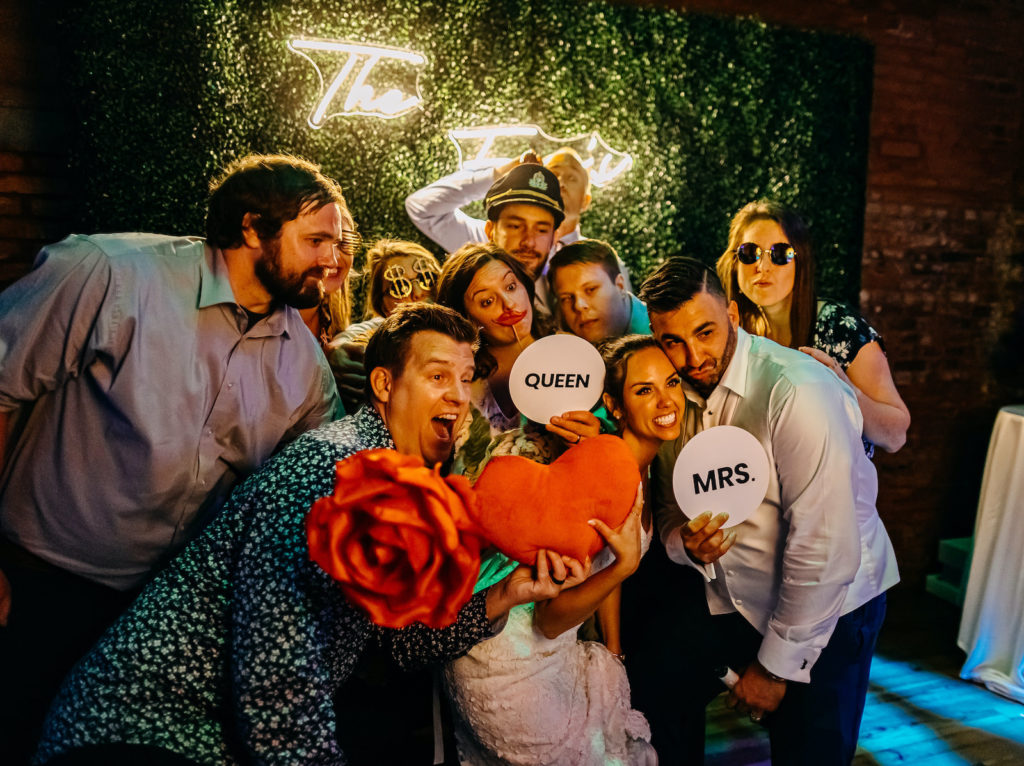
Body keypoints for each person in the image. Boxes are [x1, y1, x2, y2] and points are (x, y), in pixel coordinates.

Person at [35, 303, 579, 766]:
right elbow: (276, 673)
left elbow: (401, 644)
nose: (459, 397)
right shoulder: (332, 467)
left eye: (466, 379)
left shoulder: (407, 484)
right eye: (438, 377)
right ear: (385, 384)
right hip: (140, 728)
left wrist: (511, 592)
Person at [0, 153, 344, 763]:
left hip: (163, 619)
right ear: (250, 228)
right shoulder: (111, 274)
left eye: (338, 243)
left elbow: (313, 494)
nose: (334, 259)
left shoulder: (307, 366)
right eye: (316, 239)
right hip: (36, 584)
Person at [641, 257, 900, 765]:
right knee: (656, 697)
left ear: (733, 314)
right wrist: (682, 543)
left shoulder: (798, 390)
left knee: (811, 755)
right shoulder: (676, 395)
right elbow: (671, 506)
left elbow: (824, 548)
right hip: (740, 602)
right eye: (672, 341)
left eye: (706, 332)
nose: (693, 356)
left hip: (834, 610)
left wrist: (776, 669)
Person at [443, 334, 684, 766]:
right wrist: (624, 567)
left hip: (565, 649)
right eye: (644, 390)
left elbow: (604, 569)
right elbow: (552, 616)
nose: (665, 400)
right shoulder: (601, 473)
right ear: (612, 404)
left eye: (672, 382)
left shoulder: (639, 469)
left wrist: (614, 651)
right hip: (512, 657)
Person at [716, 200, 910, 455]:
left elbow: (896, 435)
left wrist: (846, 391)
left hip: (833, 490)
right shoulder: (735, 333)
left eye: (780, 254)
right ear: (734, 263)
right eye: (750, 252)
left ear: (801, 262)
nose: (762, 267)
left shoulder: (838, 327)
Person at [435, 243, 600, 477]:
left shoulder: (578, 356)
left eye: (511, 286)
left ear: (525, 285)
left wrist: (591, 442)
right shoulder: (455, 383)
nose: (509, 304)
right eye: (486, 301)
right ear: (466, 319)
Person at [406, 150, 632, 316]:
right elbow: (422, 209)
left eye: (571, 177)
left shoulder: (606, 266)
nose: (561, 182)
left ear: (586, 200)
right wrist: (498, 175)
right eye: (553, 174)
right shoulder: (486, 244)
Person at [327, 238, 442, 412]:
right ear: (383, 307)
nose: (418, 293)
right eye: (399, 286)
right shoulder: (381, 334)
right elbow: (349, 339)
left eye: (426, 278)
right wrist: (335, 352)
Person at [549, 239, 650, 344]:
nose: (578, 306)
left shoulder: (661, 337)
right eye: (566, 298)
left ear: (620, 286)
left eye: (590, 289)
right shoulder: (564, 346)